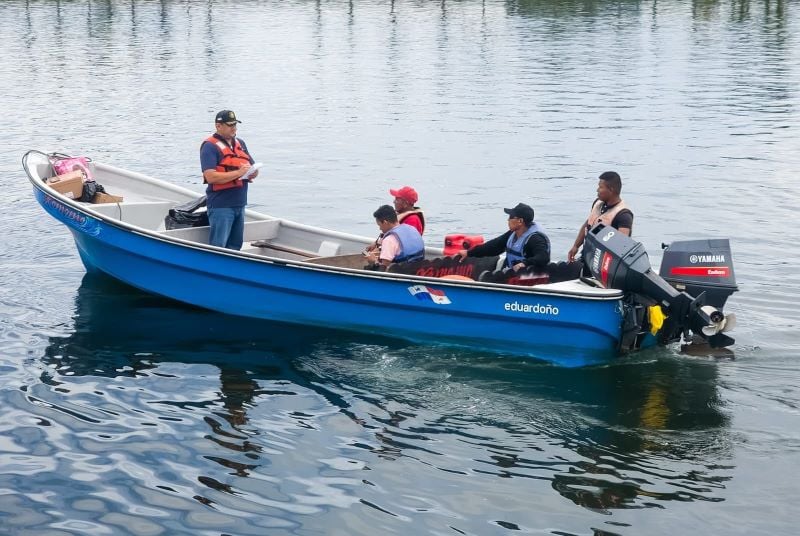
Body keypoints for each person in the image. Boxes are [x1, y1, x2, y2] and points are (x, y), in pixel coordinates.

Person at [200, 110, 259, 250]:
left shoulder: (240, 143)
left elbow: (252, 167)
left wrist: (252, 173)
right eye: (230, 125)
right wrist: (239, 173)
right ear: (218, 126)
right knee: (219, 248)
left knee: (235, 247)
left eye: (235, 124)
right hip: (222, 206)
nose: (234, 128)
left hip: (240, 204)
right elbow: (211, 176)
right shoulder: (209, 146)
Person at [456, 203, 550, 272]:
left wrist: (525, 263)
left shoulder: (535, 238)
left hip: (529, 281)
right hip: (511, 276)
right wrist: (469, 253)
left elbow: (543, 257)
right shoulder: (512, 234)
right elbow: (493, 247)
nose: (508, 220)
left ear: (520, 221)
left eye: (511, 217)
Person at [567, 171, 634, 263]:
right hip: (587, 256)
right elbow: (588, 224)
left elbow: (622, 246)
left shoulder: (624, 215)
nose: (597, 190)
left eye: (600, 187)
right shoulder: (597, 203)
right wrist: (575, 246)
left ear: (611, 189)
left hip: (604, 263)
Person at [365, 204, 425, 269]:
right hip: (418, 270)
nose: (380, 229)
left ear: (385, 222)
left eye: (379, 225)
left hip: (402, 274)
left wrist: (374, 262)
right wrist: (376, 243)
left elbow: (382, 271)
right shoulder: (412, 229)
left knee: (368, 267)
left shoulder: (389, 240)